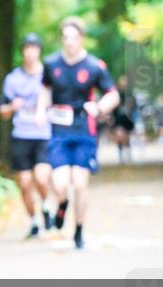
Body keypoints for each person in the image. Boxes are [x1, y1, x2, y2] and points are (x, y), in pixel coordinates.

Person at [39, 17, 119, 250]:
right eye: (66, 38)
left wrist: (99, 107)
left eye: (74, 38)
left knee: (81, 183)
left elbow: (113, 94)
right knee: (60, 182)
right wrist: (40, 110)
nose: (70, 42)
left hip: (84, 128)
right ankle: (62, 203)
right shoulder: (51, 63)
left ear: (81, 38)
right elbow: (45, 88)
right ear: (62, 39)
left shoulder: (94, 66)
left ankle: (79, 231)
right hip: (59, 130)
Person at [0, 33, 52, 238]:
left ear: (39, 50)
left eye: (34, 48)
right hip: (20, 135)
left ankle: (47, 206)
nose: (30, 52)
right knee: (25, 182)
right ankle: (33, 221)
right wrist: (13, 107)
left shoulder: (48, 76)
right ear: (22, 51)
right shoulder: (13, 79)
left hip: (43, 134)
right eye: (26, 48)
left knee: (41, 177)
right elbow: (1, 111)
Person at [109, 75, 136, 164]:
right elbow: (112, 107)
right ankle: (120, 156)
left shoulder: (130, 94)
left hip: (128, 119)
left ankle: (128, 155)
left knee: (127, 137)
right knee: (119, 137)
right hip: (118, 120)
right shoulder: (117, 93)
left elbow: (135, 106)